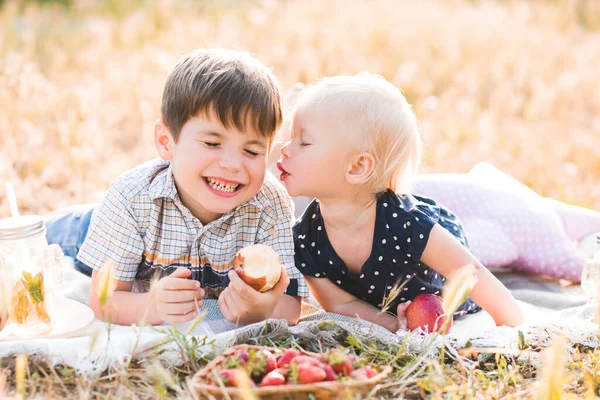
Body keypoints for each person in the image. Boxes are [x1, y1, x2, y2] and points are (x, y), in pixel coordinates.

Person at [46, 49, 308, 327]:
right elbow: (104, 301)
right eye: (212, 143)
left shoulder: (269, 203)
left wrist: (262, 309)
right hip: (85, 234)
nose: (232, 164)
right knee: (34, 238)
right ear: (166, 141)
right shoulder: (131, 198)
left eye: (252, 151)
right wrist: (151, 305)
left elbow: (292, 306)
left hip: (136, 234)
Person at [276, 73, 524, 332]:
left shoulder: (406, 224)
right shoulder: (304, 237)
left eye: (303, 141)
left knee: (484, 252)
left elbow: (470, 273)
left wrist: (513, 330)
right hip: (401, 305)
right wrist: (396, 325)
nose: (285, 149)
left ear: (358, 167)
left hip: (444, 271)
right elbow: (340, 304)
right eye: (290, 137)